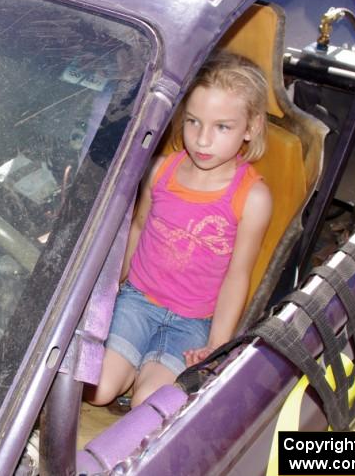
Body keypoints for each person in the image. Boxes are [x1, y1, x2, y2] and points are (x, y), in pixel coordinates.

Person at [86, 50, 273, 408]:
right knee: (99, 389)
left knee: (150, 406)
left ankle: (142, 376)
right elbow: (138, 229)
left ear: (250, 128)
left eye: (222, 127)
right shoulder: (160, 170)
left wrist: (217, 344)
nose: (203, 140)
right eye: (193, 122)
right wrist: (107, 292)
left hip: (191, 325)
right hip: (137, 302)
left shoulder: (253, 198)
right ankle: (127, 371)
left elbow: (238, 274)